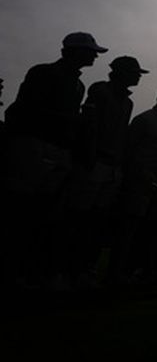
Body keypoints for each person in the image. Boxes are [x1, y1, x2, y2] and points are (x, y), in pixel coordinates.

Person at [2, 32, 108, 288]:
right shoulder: (44, 73)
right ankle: (11, 272)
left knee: (45, 212)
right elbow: (26, 110)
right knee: (21, 209)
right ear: (74, 51)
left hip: (60, 152)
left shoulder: (78, 84)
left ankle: (30, 271)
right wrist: (72, 121)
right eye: (89, 51)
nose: (94, 55)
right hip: (34, 146)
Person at [63, 55, 148, 287]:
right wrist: (89, 158)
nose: (138, 77)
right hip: (95, 162)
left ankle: (84, 269)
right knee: (78, 217)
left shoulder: (128, 102)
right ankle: (66, 269)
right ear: (121, 72)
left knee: (96, 221)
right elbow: (89, 126)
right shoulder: (100, 91)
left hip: (112, 167)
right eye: (134, 72)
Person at [109, 83, 157, 284]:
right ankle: (118, 271)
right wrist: (141, 172)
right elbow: (129, 149)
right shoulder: (144, 120)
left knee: (155, 229)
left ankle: (145, 269)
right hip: (141, 180)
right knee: (130, 227)